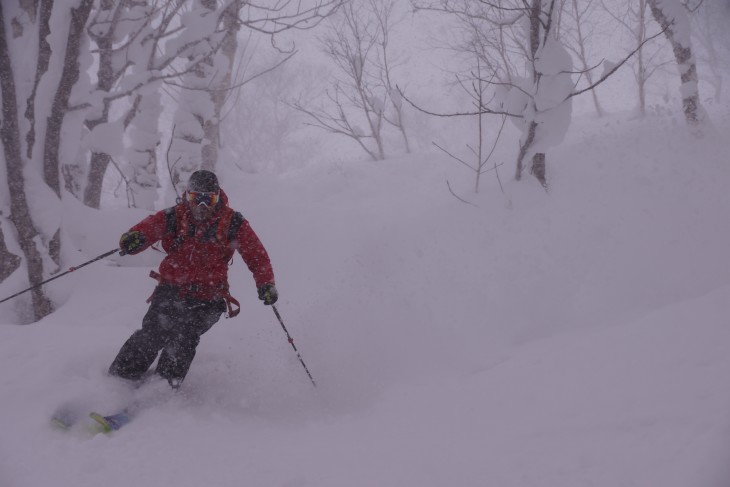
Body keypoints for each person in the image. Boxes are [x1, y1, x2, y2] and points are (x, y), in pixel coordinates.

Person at [109, 170, 277, 389]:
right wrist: (133, 239)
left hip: (209, 297)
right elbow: (147, 229)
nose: (202, 206)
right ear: (188, 196)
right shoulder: (174, 216)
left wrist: (266, 284)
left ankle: (162, 387)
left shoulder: (233, 222)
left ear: (218, 197)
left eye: (210, 199)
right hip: (171, 290)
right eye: (196, 198)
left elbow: (257, 255)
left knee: (184, 336)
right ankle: (118, 380)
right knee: (153, 333)